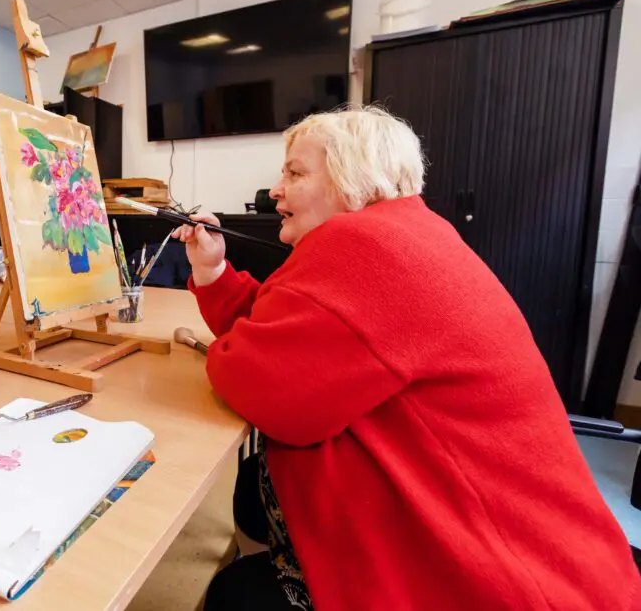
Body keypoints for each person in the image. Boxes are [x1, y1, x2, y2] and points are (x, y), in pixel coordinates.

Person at [174, 107, 640, 610]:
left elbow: (257, 379)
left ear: (352, 180)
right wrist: (213, 268)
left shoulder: (364, 250)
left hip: (490, 576)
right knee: (250, 489)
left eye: (294, 173)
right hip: (529, 545)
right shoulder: (400, 233)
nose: (275, 191)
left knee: (233, 594)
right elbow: (280, 332)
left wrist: (228, 350)